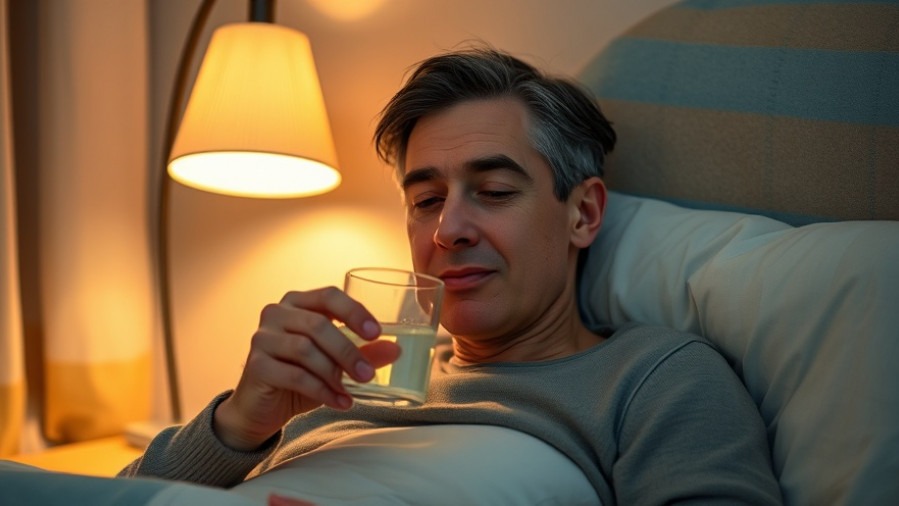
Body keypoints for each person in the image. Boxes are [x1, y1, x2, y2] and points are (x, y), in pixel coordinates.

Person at [120, 47, 782, 505]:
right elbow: (119, 496)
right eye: (426, 200)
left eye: (492, 191)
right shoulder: (351, 373)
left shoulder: (651, 377)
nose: (447, 231)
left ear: (582, 213)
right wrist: (240, 424)